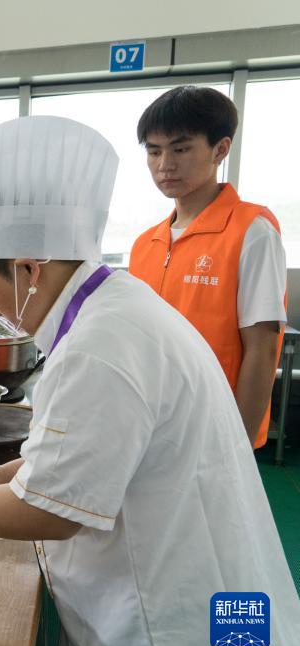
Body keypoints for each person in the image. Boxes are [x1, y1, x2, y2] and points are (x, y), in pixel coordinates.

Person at [0, 116, 300, 646]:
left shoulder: (97, 348)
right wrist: (2, 474)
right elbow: (103, 452)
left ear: (28, 270)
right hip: (204, 563)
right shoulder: (117, 305)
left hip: (165, 625)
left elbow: (48, 512)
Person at [128, 86, 286, 448]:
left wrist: (237, 445)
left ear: (220, 149)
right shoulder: (145, 244)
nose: (165, 165)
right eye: (154, 151)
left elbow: (262, 348)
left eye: (181, 149)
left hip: (214, 432)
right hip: (150, 425)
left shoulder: (251, 231)